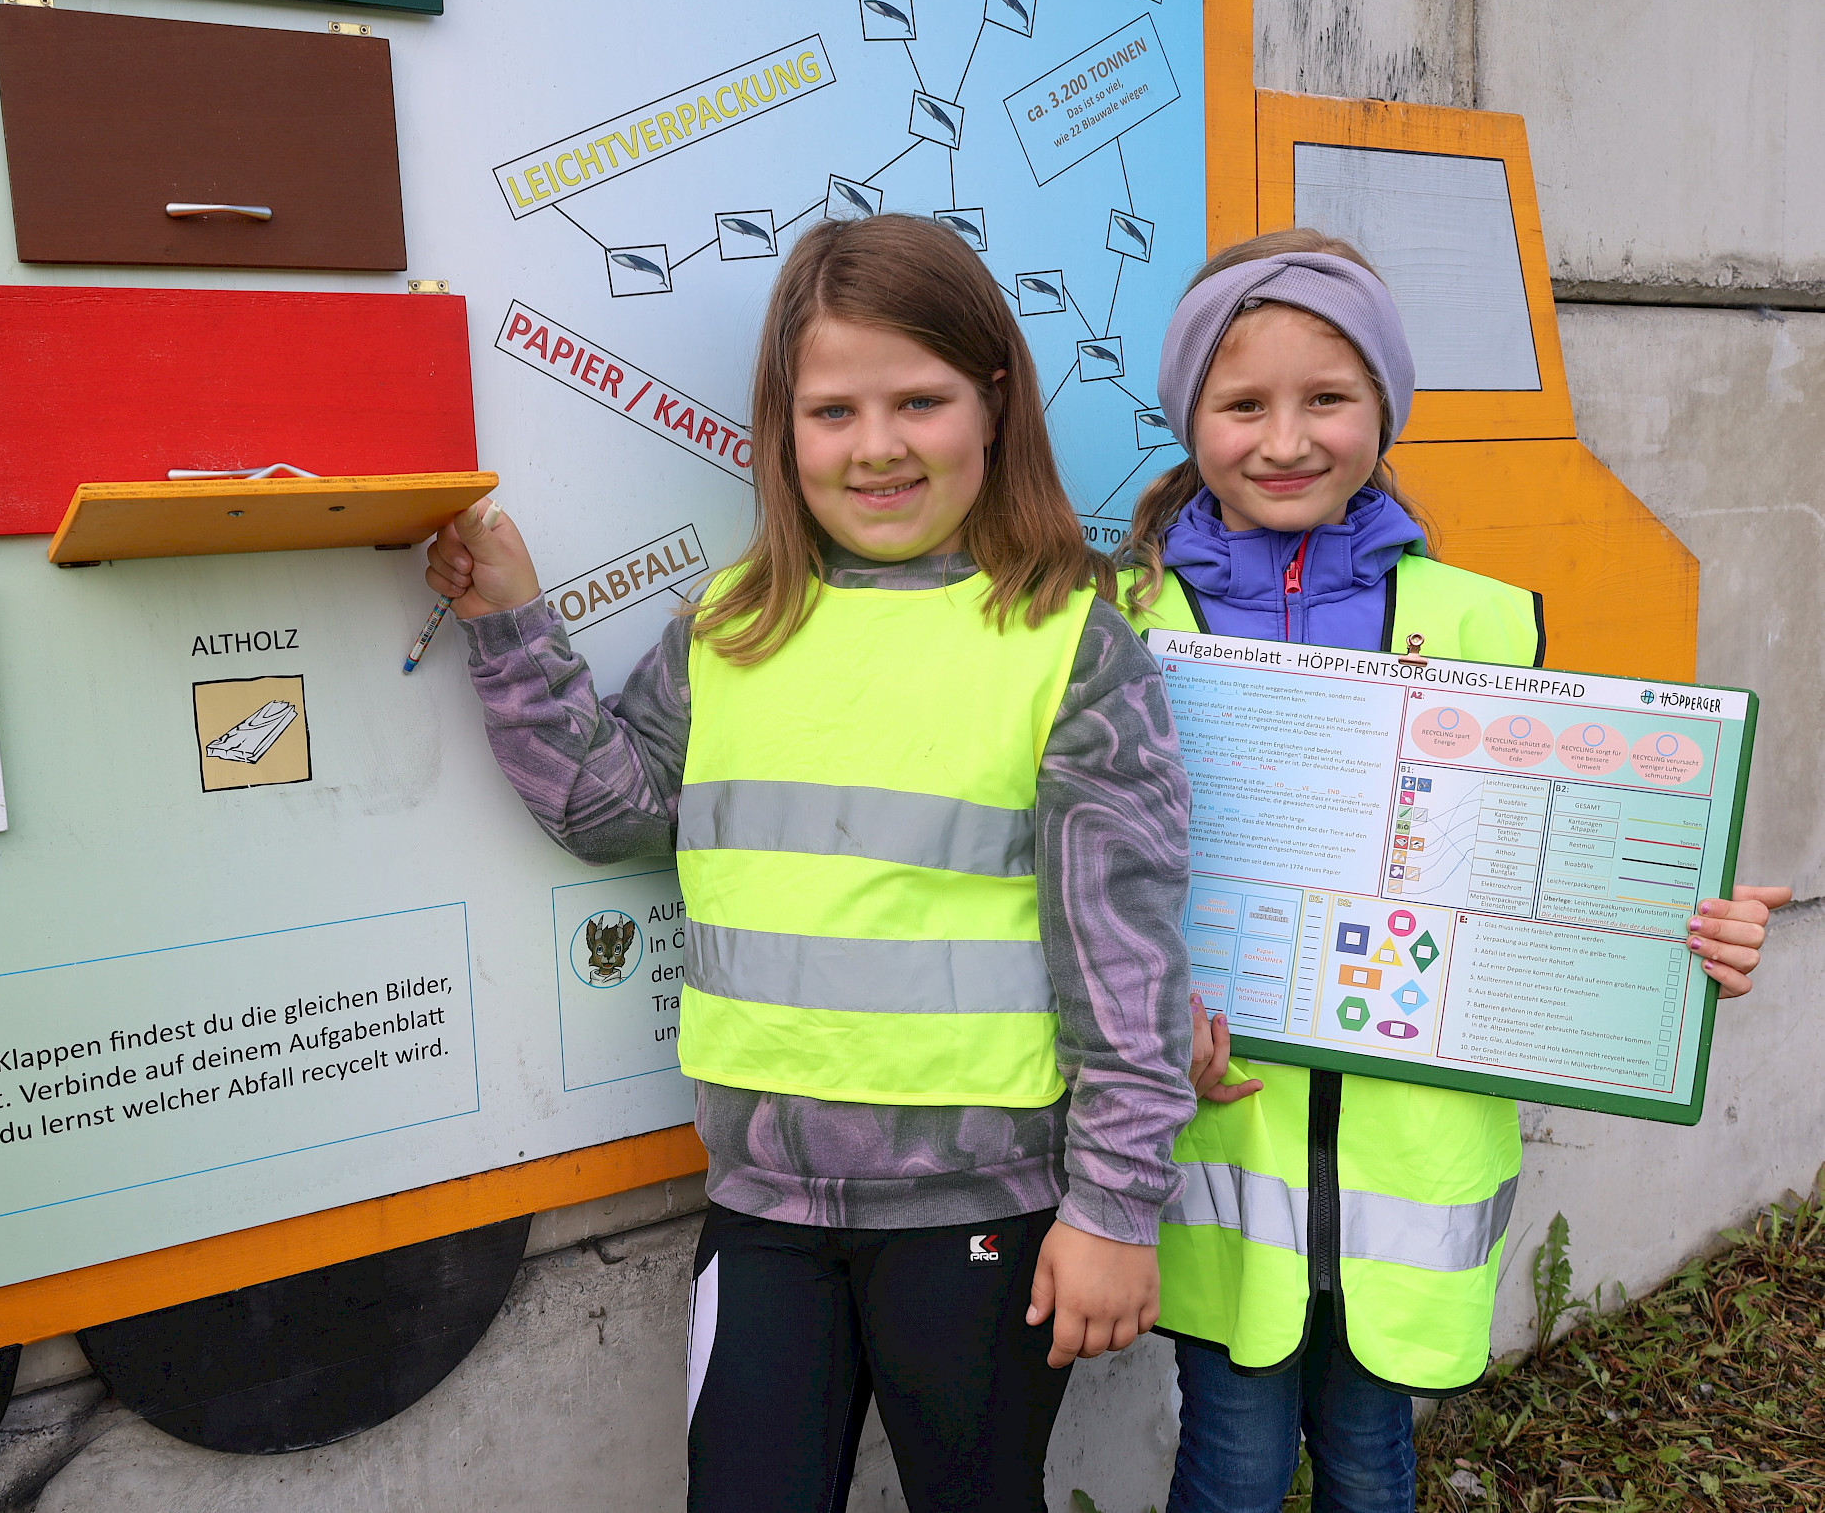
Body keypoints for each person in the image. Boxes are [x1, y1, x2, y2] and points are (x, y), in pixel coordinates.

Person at [424, 213, 1198, 1512]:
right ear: (784, 424)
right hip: (762, 1210)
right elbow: (610, 806)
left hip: (984, 1214)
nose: (878, 443)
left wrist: (1117, 1207)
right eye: (834, 409)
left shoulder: (1071, 644)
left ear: (994, 402)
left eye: (919, 400)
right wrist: (509, 625)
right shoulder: (728, 630)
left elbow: (1128, 957)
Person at [1118, 228, 1792, 1513]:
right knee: (1230, 1464)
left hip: (1405, 1175)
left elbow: (1555, 860)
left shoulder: (1485, 616)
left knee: (1374, 1463)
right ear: (1186, 415)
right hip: (1215, 1146)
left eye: (1327, 397)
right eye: (1240, 402)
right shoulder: (1119, 621)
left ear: (1384, 406)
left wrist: (1683, 928)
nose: (1284, 437)